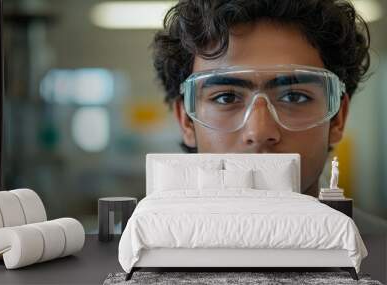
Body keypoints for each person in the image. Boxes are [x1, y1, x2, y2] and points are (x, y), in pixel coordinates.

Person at [151, 0, 371, 199]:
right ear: (187, 121)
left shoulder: (377, 244)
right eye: (226, 98)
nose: (259, 132)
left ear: (337, 119)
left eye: (294, 97)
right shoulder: (142, 243)